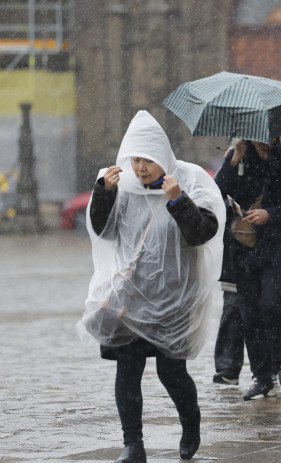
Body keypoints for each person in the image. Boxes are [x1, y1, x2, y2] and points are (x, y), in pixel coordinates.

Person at [77, 110, 225, 462]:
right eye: (136, 159)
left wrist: (178, 200)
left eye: (148, 159)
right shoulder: (121, 185)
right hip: (131, 298)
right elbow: (103, 231)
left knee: (171, 372)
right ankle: (133, 445)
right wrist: (104, 194)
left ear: (164, 158)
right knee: (127, 369)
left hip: (175, 298)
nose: (141, 167)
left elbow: (202, 233)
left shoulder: (189, 181)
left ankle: (190, 427)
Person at [213, 137, 281, 400]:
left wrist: (271, 214)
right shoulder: (239, 159)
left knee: (271, 304)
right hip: (243, 247)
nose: (261, 141)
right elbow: (216, 192)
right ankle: (260, 375)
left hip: (280, 246)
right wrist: (232, 160)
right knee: (248, 312)